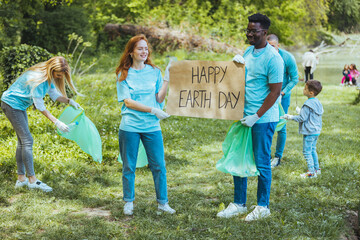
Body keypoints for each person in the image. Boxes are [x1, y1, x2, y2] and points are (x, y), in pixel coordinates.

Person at [217, 13, 284, 221]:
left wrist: (256, 115)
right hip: (243, 115)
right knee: (239, 157)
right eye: (247, 30)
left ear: (264, 32)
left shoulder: (274, 59)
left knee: (262, 161)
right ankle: (239, 203)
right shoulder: (248, 51)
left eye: (253, 31)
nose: (249, 34)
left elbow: (275, 91)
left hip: (262, 118)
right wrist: (235, 65)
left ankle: (263, 206)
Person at [1, 56, 81, 192]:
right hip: (12, 105)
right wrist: (56, 122)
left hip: (17, 106)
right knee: (27, 141)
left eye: (61, 76)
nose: (59, 78)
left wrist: (69, 101)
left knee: (22, 141)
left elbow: (55, 95)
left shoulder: (48, 78)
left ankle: (21, 179)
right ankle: (32, 180)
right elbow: (39, 106)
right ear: (51, 70)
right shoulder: (39, 79)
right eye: (58, 75)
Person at [115, 34, 175, 216]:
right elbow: (128, 102)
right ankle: (128, 201)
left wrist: (166, 79)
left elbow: (159, 98)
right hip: (130, 126)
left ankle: (163, 203)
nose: (144, 51)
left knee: (159, 165)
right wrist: (152, 110)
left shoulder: (154, 71)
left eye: (146, 48)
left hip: (152, 127)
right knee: (129, 166)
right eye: (140, 48)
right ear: (131, 52)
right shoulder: (123, 74)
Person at [266, 34, 299, 168]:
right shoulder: (265, 56)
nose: (270, 48)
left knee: (281, 126)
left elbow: (294, 78)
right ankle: (266, 156)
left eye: (272, 46)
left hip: (282, 97)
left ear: (278, 45)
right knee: (266, 124)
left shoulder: (287, 58)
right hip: (267, 96)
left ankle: (278, 156)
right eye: (268, 46)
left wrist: (282, 92)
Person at [282, 80, 323, 178]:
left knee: (307, 152)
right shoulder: (317, 102)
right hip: (316, 131)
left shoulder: (307, 104)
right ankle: (317, 170)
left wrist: (290, 117)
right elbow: (311, 115)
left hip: (309, 132)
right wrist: (301, 111)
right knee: (313, 150)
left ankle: (311, 172)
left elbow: (302, 118)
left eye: (305, 88)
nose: (303, 89)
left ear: (311, 92)